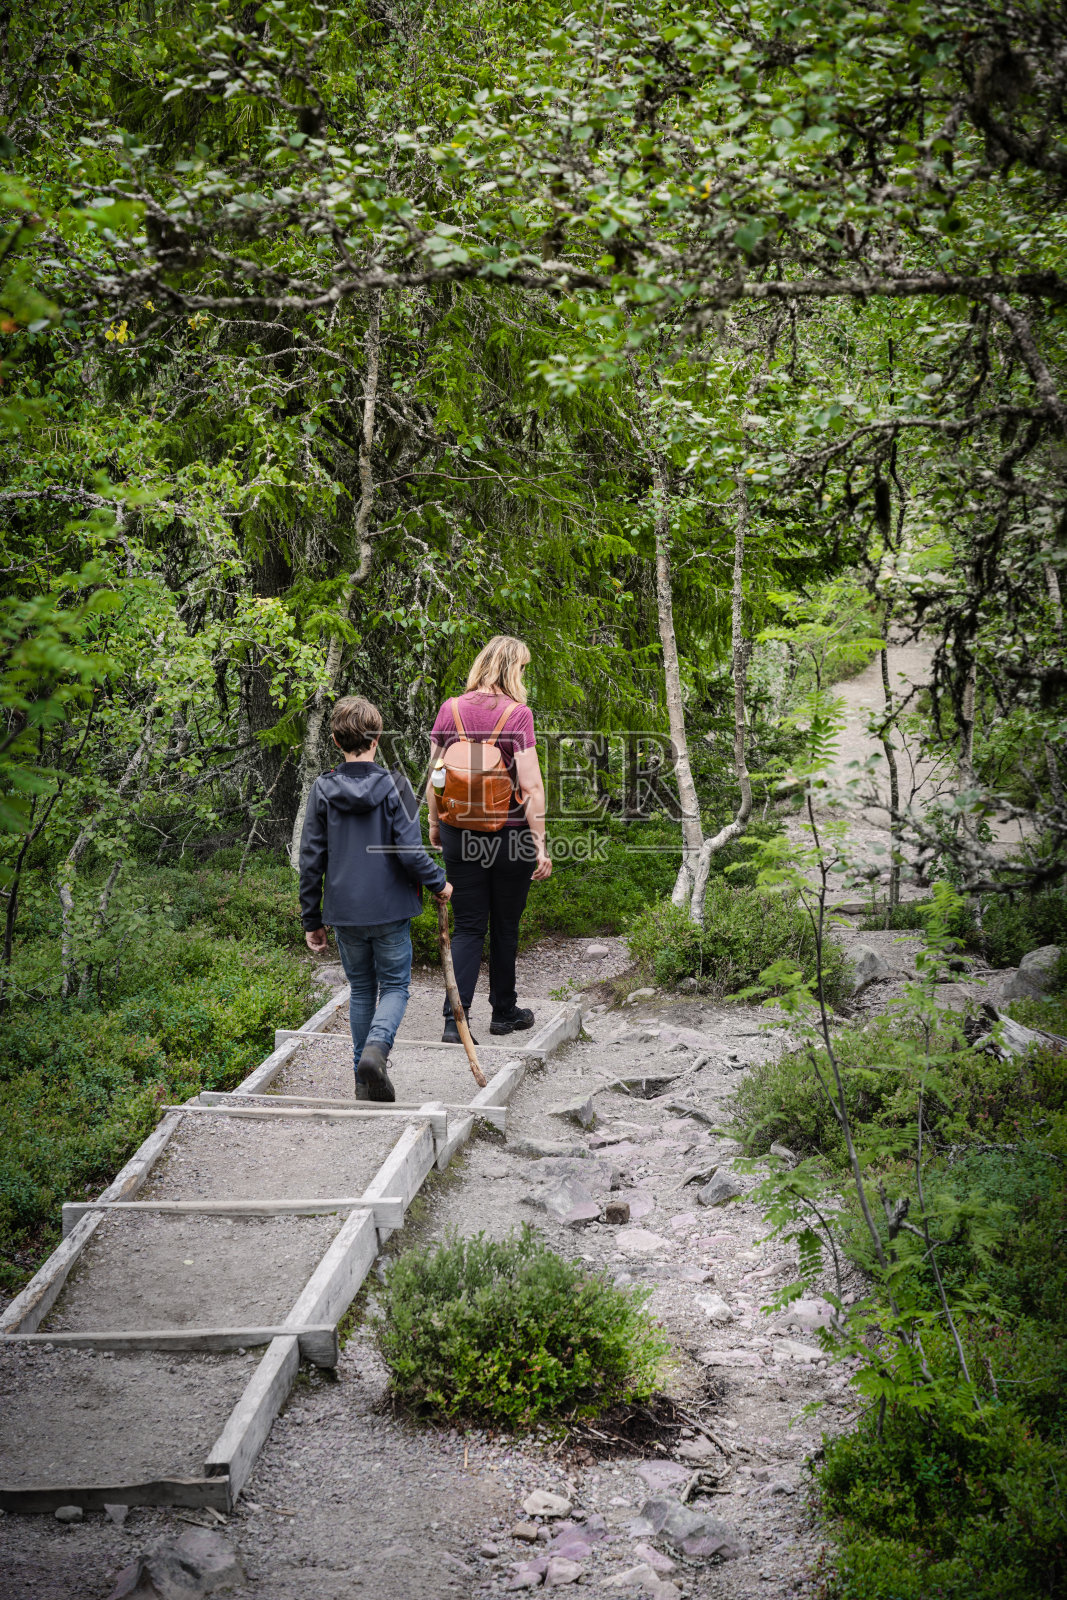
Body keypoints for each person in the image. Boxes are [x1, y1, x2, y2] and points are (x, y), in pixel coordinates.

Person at [300, 694, 452, 1102]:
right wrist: (439, 882)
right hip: (389, 909)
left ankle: (362, 1081)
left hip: (345, 913)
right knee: (396, 986)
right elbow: (409, 851)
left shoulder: (322, 789)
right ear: (377, 738)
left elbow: (311, 859)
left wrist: (311, 919)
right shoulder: (394, 785)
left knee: (363, 989)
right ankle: (376, 1052)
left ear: (336, 740)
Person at [426, 635, 551, 1044]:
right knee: (505, 926)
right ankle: (503, 1013)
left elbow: (436, 777)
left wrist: (434, 822)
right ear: (512, 669)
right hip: (510, 835)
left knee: (467, 927)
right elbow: (531, 787)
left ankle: (455, 1023)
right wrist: (540, 845)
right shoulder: (518, 715)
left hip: (459, 832)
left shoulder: (450, 709)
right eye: (523, 668)